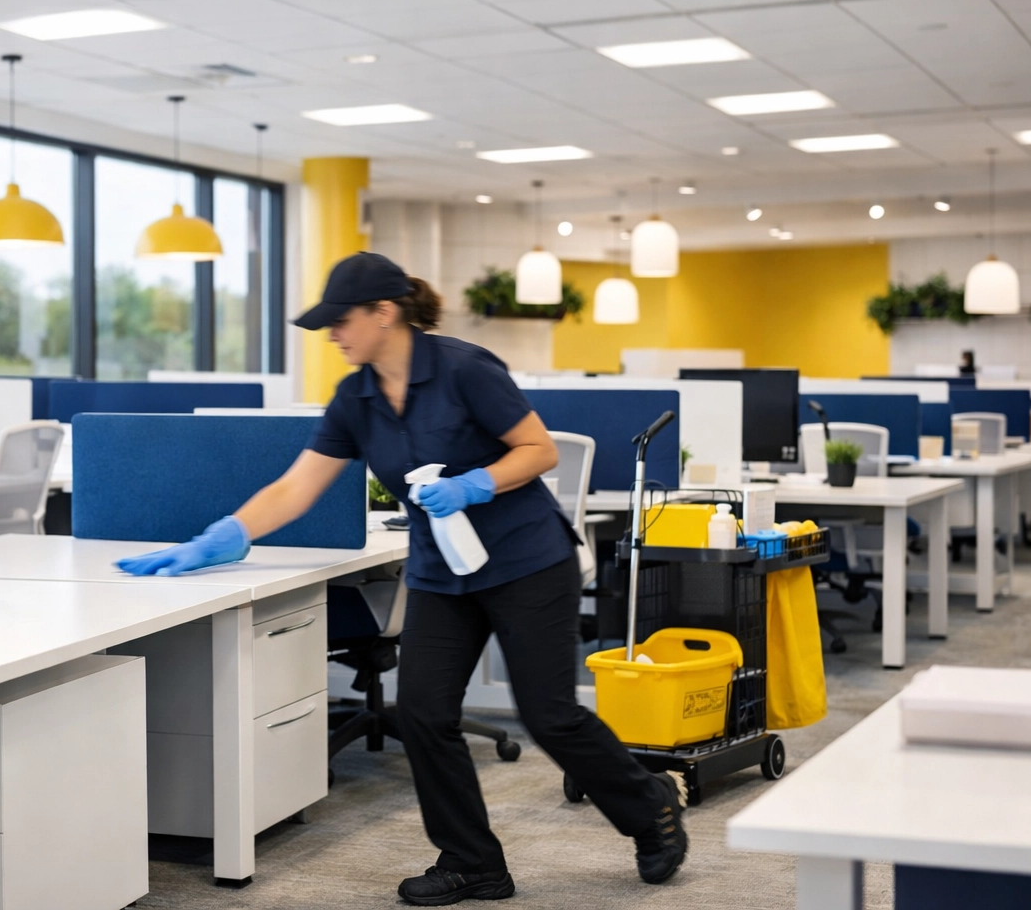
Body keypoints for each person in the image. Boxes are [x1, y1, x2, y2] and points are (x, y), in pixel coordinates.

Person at [116, 252, 687, 906]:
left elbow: (540, 450)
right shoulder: (356, 397)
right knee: (422, 711)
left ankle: (651, 808)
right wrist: (223, 536)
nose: (332, 334)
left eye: (340, 320)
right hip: (444, 571)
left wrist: (475, 484)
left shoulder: (464, 370)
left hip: (526, 561)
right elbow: (297, 487)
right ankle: (474, 863)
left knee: (550, 714)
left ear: (384, 314)